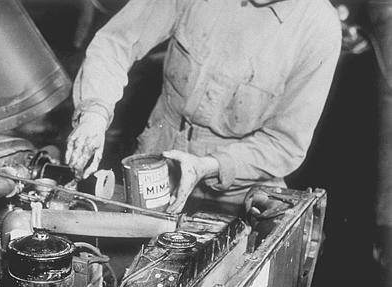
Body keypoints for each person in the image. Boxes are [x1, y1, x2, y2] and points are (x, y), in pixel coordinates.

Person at [65, 0, 342, 213]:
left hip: (238, 190)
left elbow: (284, 143)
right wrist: (94, 114)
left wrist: (206, 166)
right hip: (155, 165)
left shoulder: (318, 28)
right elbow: (117, 42)